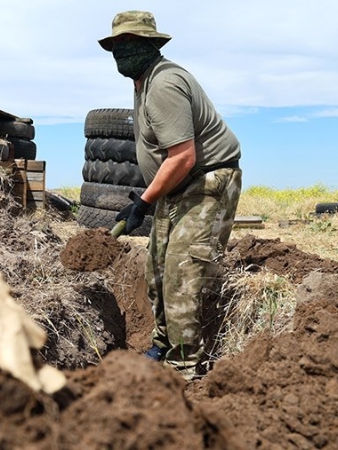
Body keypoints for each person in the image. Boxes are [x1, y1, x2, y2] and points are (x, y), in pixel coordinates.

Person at [99, 11, 243, 381]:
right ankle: (163, 344)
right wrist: (150, 198)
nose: (120, 52)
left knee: (182, 272)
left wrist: (144, 202)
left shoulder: (164, 84)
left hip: (205, 182)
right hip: (179, 186)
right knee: (156, 269)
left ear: (150, 45)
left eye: (129, 44)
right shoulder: (141, 83)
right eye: (116, 44)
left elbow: (183, 156)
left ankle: (184, 369)